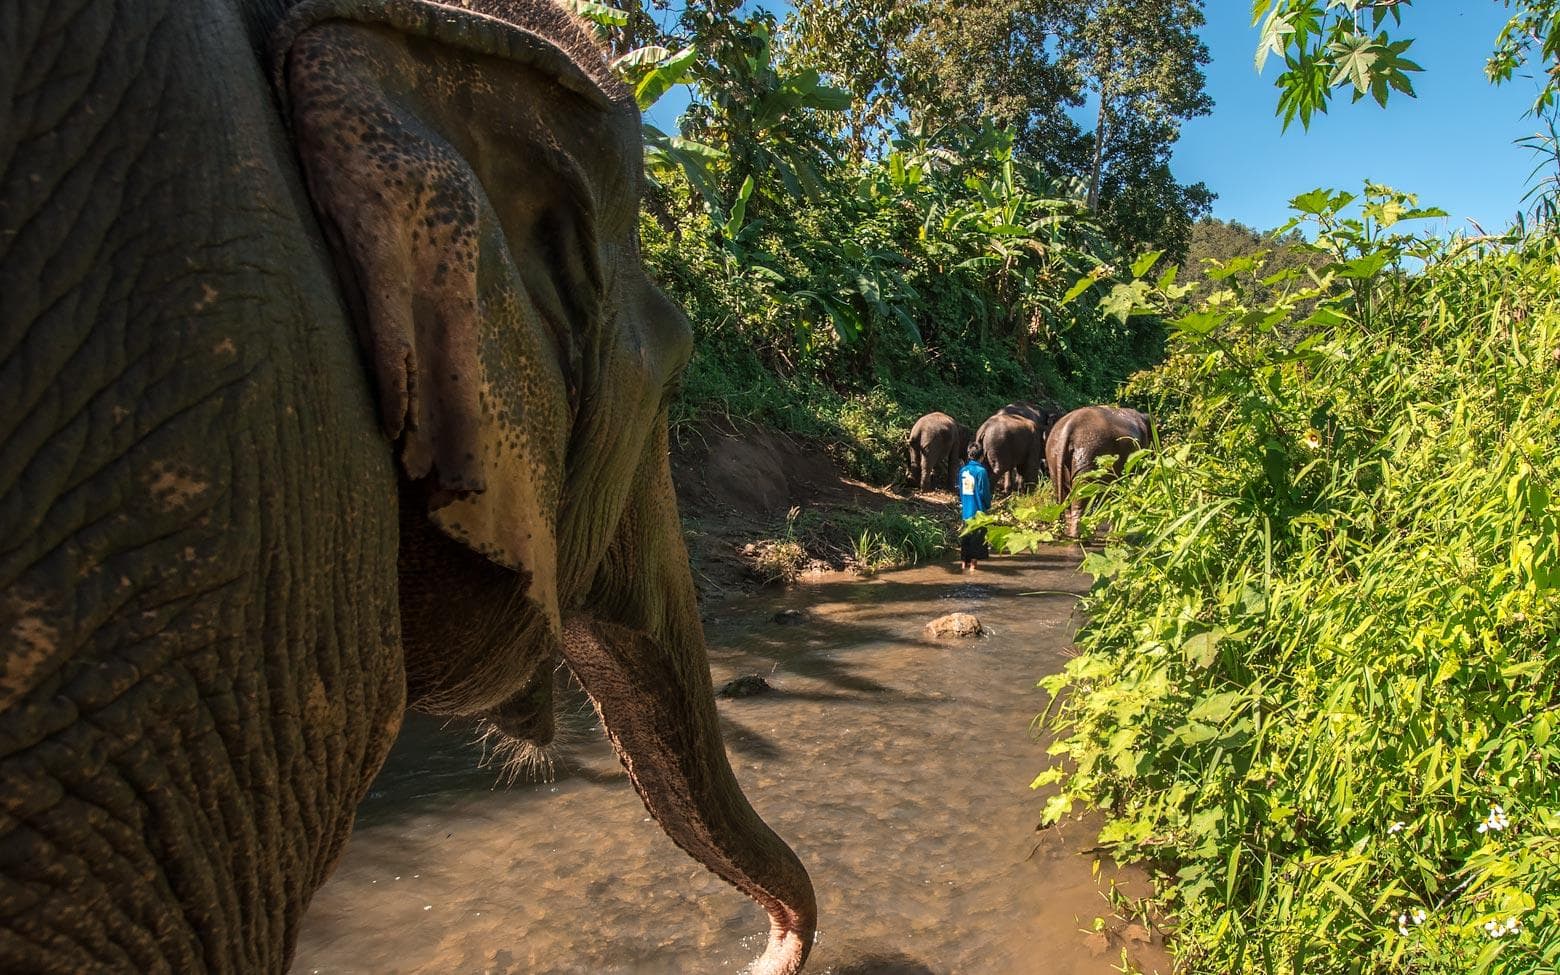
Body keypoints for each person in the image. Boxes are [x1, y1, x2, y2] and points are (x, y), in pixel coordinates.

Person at [958, 442, 993, 573]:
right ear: (982, 456)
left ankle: (963, 568)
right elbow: (984, 492)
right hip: (978, 513)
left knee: (966, 541)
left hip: (966, 512)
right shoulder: (981, 471)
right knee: (977, 544)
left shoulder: (962, 471)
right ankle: (973, 570)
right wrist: (988, 506)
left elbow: (961, 491)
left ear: (969, 455)